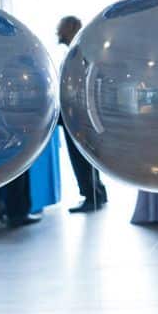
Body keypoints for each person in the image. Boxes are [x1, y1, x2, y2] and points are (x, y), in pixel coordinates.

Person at [55, 17, 108, 212]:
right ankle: (98, 193)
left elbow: (73, 87)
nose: (57, 34)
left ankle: (91, 196)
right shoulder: (85, 52)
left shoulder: (76, 54)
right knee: (88, 156)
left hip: (77, 116)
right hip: (85, 115)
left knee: (81, 158)